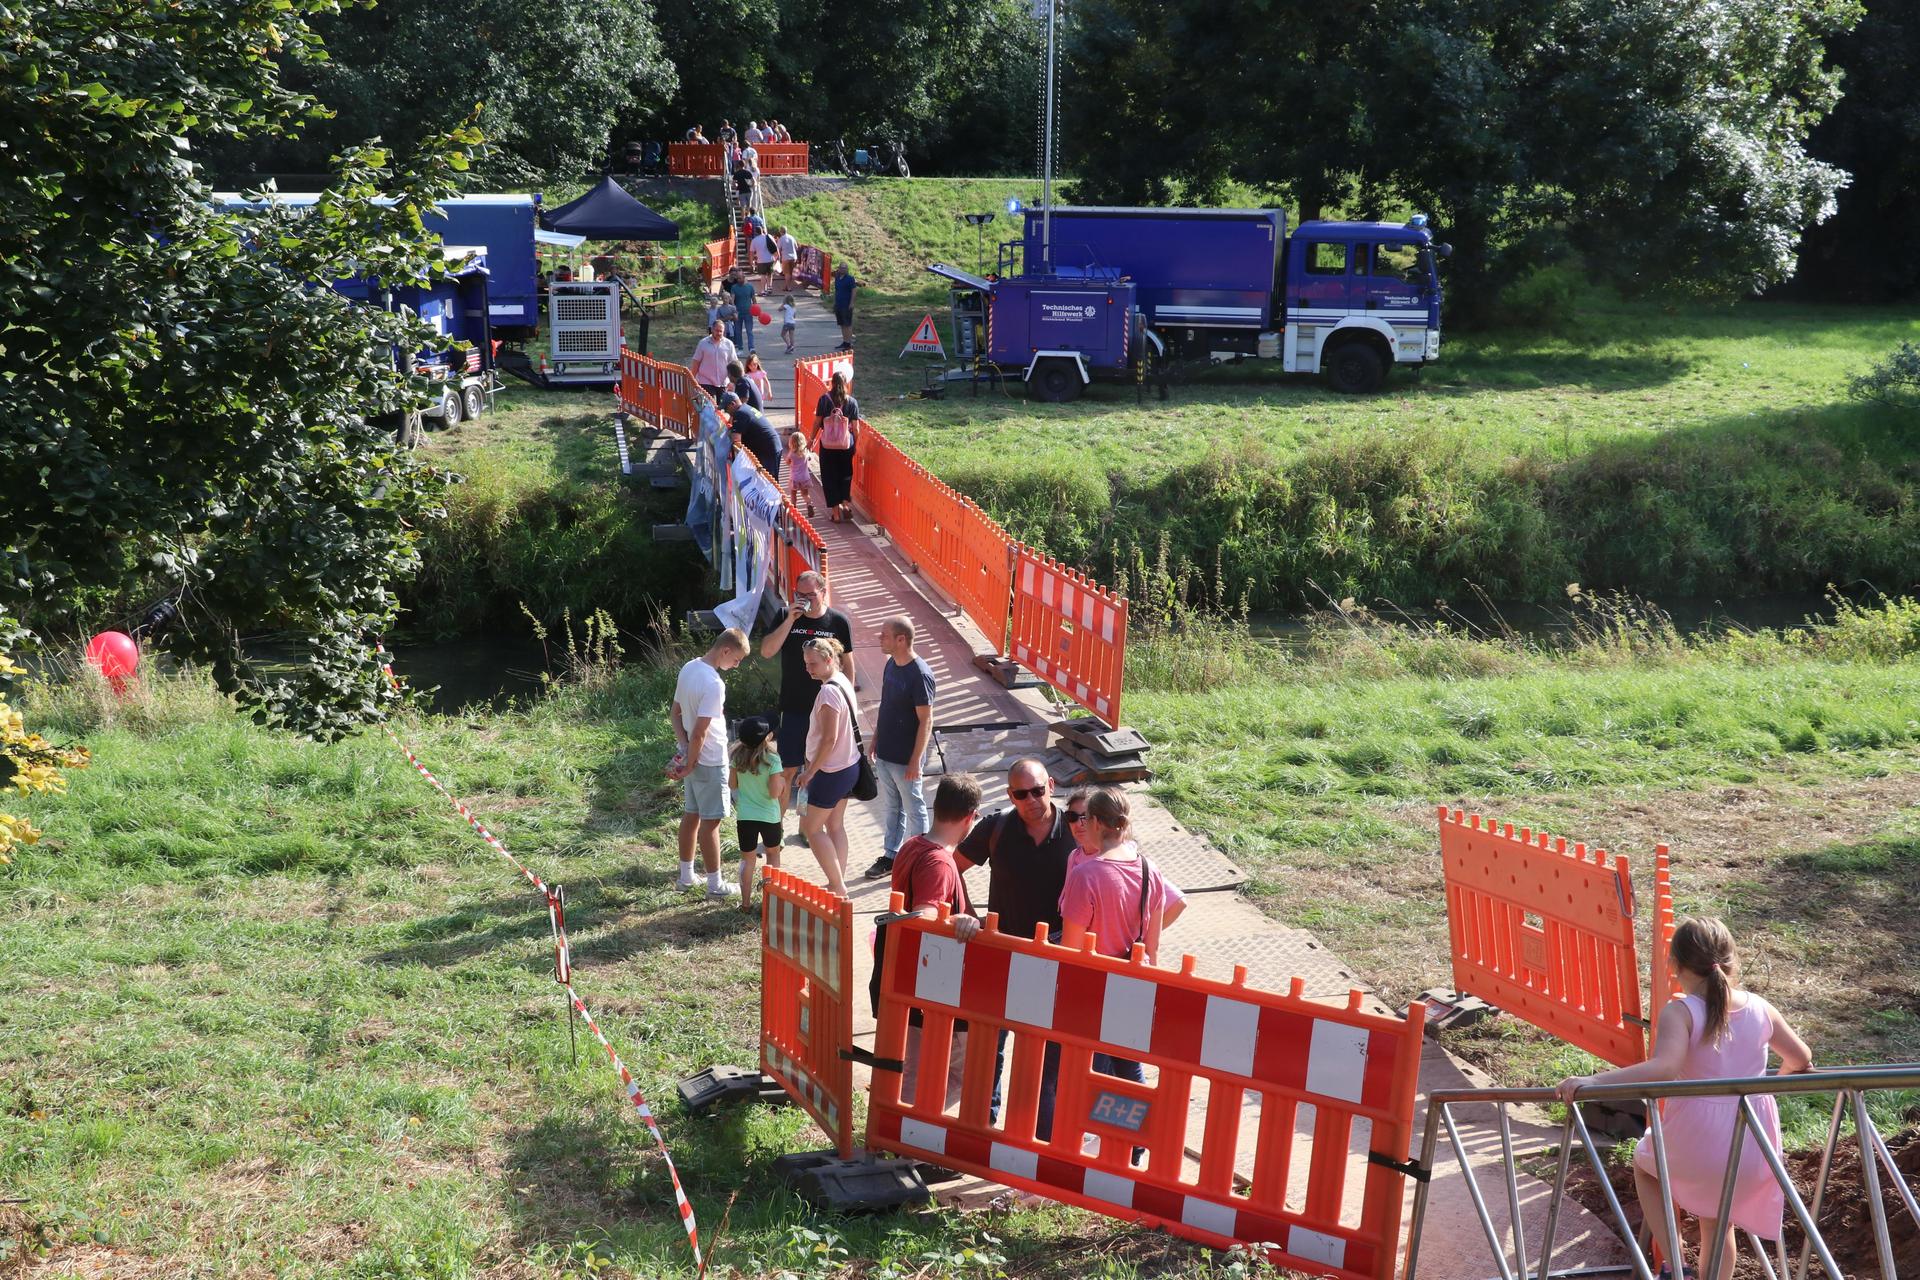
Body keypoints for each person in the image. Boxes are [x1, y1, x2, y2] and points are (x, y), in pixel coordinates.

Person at [1557, 919, 1812, 1280]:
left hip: (1699, 1136)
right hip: (1753, 1140)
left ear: (1673, 964)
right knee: (1719, 1223)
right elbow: (1801, 1057)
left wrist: (1595, 1080)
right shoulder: (1760, 1007)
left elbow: (1664, 1067)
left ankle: (1677, 1265)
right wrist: (1768, 1088)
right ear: (1731, 961)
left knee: (1646, 1165)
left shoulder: (1682, 1011)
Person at [1058, 787, 1187, 1162]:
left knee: (1084, 1072)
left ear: (1096, 823)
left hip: (1093, 988)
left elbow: (1071, 947)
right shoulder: (1149, 869)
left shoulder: (1088, 874)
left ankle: (1100, 1142)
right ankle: (1137, 1140)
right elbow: (1153, 943)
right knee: (1128, 1067)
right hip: (1134, 985)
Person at [954, 757, 1077, 1140]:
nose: (1031, 800)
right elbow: (949, 867)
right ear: (1010, 795)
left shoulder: (1076, 830)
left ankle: (1041, 1135)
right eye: (1021, 794)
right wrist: (968, 914)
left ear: (1051, 786)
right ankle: (983, 1126)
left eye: (1038, 791)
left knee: (1049, 1053)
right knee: (991, 1045)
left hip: (1055, 959)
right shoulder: (997, 827)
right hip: (1002, 952)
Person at [886, 772, 984, 1107]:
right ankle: (910, 1136)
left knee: (916, 1066)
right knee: (964, 1071)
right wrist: (958, 919)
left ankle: (900, 1135)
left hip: (913, 980)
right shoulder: (940, 863)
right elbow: (924, 916)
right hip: (936, 985)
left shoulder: (913, 845)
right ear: (970, 817)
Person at [758, 570, 855, 833]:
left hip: (825, 712)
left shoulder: (838, 622)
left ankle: (807, 829)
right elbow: (766, 651)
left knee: (815, 771)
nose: (805, 600)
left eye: (810, 594)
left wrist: (848, 700)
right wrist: (790, 619)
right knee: (787, 772)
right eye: (799, 594)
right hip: (793, 709)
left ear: (823, 592)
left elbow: (848, 664)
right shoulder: (784, 616)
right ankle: (774, 832)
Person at [670, 628, 750, 900]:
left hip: (694, 756)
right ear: (725, 650)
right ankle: (715, 884)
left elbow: (675, 714)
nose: (736, 665)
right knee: (711, 822)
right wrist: (691, 762)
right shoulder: (715, 684)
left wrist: (684, 749)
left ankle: (686, 876)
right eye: (736, 659)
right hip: (710, 759)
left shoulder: (690, 667)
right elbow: (702, 732)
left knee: (691, 815)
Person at [865, 616, 935, 879]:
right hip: (885, 753)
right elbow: (887, 706)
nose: (879, 639)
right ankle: (891, 856)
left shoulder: (920, 674)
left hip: (906, 759)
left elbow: (926, 720)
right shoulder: (891, 665)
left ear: (901, 639)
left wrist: (916, 760)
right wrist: (875, 739)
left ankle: (922, 859)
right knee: (893, 807)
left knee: (914, 807)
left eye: (884, 635)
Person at [795, 637, 861, 896]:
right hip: (848, 766)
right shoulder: (843, 681)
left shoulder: (828, 692)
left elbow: (829, 738)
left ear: (829, 660)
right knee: (835, 825)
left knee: (812, 829)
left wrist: (810, 771)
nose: (808, 669)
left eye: (813, 663)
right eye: (806, 663)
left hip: (831, 771)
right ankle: (838, 881)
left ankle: (838, 885)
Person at [729, 716, 785, 912]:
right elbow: (774, 793)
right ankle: (771, 903)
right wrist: (783, 783)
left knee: (748, 860)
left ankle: (745, 904)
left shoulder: (737, 758)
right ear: (767, 737)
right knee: (773, 856)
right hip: (770, 817)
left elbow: (732, 785)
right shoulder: (773, 759)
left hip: (745, 816)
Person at [811, 370, 860, 523]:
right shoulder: (852, 402)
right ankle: (845, 505)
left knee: (829, 477)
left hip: (828, 445)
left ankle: (836, 514)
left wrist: (811, 438)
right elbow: (856, 428)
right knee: (845, 475)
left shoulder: (824, 400)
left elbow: (817, 422)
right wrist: (855, 444)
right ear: (846, 384)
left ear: (831, 383)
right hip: (846, 445)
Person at [721, 391, 781, 478]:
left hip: (768, 450)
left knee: (768, 482)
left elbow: (736, 441)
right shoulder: (745, 408)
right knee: (768, 481)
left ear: (732, 404)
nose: (726, 412)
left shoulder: (740, 414)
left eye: (726, 409)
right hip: (770, 446)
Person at [690, 320, 737, 400]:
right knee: (712, 406)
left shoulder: (729, 344)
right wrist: (692, 380)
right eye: (717, 331)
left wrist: (733, 382)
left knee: (722, 409)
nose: (719, 333)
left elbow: (734, 364)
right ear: (712, 329)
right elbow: (696, 362)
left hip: (723, 383)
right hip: (706, 381)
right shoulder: (703, 343)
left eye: (721, 331)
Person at [784, 431, 823, 517]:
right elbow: (809, 458)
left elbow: (787, 462)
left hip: (794, 478)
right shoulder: (805, 452)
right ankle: (809, 505)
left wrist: (791, 463)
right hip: (805, 477)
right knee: (805, 494)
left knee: (793, 494)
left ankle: (794, 509)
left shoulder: (791, 453)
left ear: (791, 442)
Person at [727, 268, 757, 355]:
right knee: (738, 331)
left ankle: (751, 348)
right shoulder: (734, 287)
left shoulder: (750, 287)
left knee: (749, 331)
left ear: (744, 277)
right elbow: (732, 299)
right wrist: (733, 309)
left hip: (748, 312)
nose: (738, 280)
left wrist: (757, 310)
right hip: (738, 313)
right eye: (737, 278)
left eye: (740, 278)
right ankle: (740, 349)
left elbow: (754, 299)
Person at [831, 262, 857, 349]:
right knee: (842, 324)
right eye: (841, 268)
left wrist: (852, 302)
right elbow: (837, 291)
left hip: (846, 305)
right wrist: (835, 303)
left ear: (847, 269)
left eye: (845, 268)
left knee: (847, 324)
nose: (843, 269)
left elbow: (854, 291)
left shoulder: (850, 279)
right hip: (839, 304)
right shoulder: (837, 278)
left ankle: (849, 343)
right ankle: (845, 342)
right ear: (839, 268)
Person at [777, 225, 799, 295]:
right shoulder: (792, 237)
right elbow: (796, 247)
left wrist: (779, 257)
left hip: (786, 258)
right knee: (790, 273)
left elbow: (778, 249)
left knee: (787, 273)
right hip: (793, 257)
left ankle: (788, 287)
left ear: (780, 232)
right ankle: (786, 286)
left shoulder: (781, 239)